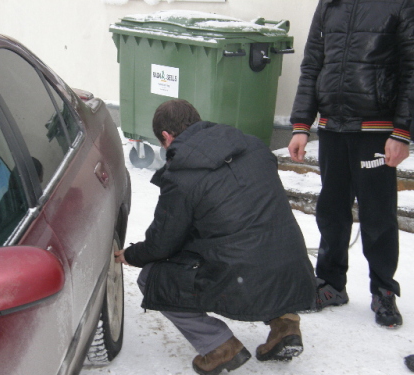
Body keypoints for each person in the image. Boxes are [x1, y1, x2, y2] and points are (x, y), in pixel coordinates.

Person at [115, 99, 316, 375]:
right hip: (291, 262)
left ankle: (219, 347)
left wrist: (131, 254)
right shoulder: (253, 146)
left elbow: (163, 243)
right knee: (258, 245)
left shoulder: (182, 175)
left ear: (166, 136)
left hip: (246, 274)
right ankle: (286, 324)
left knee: (151, 278)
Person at [288, 0, 414, 328]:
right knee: (331, 211)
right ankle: (330, 283)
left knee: (378, 215)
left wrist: (402, 132)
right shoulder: (331, 4)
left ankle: (384, 290)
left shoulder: (400, 4)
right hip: (332, 127)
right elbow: (312, 63)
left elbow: (412, 68)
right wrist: (302, 124)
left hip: (376, 128)